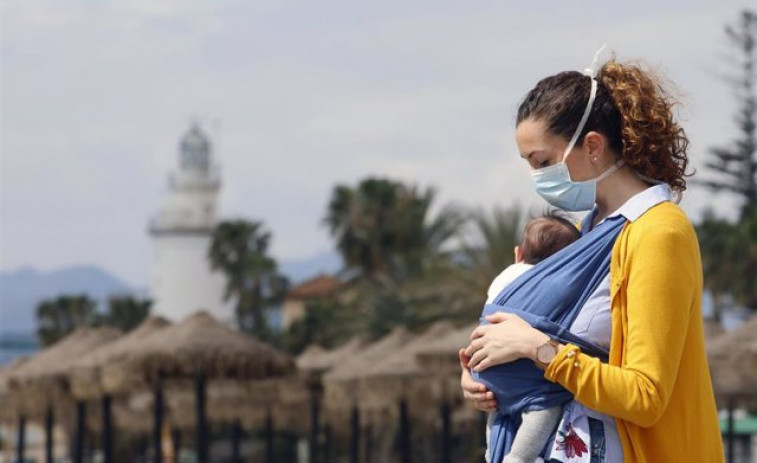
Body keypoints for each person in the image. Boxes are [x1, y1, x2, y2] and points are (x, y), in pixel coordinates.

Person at [459, 50, 725, 463]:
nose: (536, 178)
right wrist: (485, 374)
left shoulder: (657, 233)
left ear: (593, 146)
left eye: (543, 162)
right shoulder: (589, 233)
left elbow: (646, 395)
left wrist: (538, 349)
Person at [482, 212, 582, 463]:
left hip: (489, 372)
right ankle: (518, 457)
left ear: (518, 253)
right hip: (528, 380)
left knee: (497, 412)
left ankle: (490, 450)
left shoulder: (503, 277)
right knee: (544, 409)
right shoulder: (558, 284)